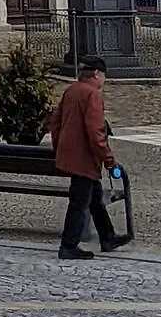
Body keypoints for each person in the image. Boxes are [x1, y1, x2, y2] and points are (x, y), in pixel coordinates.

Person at [48, 54, 126, 261]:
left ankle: (107, 237)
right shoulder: (92, 95)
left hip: (70, 154)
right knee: (80, 202)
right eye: (104, 76)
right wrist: (108, 159)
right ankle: (69, 245)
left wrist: (60, 147)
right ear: (96, 74)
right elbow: (96, 131)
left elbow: (54, 123)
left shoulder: (71, 91)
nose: (104, 81)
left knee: (94, 198)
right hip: (84, 158)